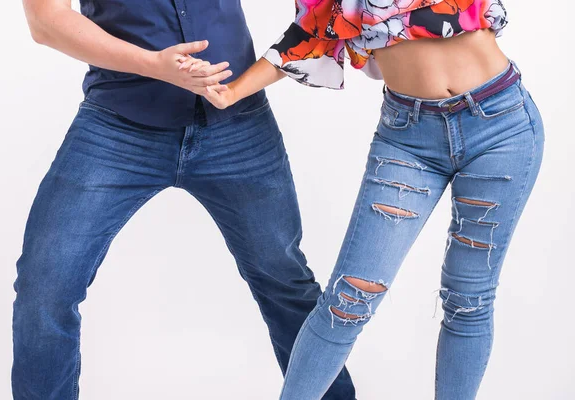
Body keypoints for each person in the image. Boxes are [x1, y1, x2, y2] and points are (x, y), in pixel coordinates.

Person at [201, 0, 544, 398]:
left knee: (468, 297)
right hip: (408, 138)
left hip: (500, 123)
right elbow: (309, 33)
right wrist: (231, 93)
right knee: (346, 300)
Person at [13, 0, 356, 398]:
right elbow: (45, 20)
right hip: (117, 126)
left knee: (285, 280)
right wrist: (151, 64)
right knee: (45, 286)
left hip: (237, 120)